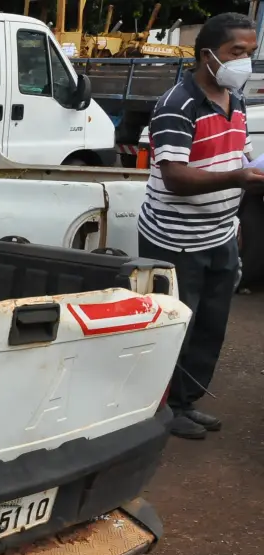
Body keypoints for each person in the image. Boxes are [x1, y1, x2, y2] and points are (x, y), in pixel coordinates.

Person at [139, 12, 264, 440]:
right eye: (236, 52)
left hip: (219, 235)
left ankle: (184, 403)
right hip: (176, 240)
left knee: (211, 324)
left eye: (250, 53)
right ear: (207, 54)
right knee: (177, 326)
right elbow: (175, 176)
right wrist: (237, 179)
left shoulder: (238, 100)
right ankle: (161, 409)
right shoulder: (178, 104)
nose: (244, 62)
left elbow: (240, 159)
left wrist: (240, 204)